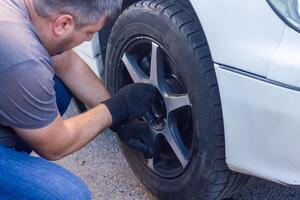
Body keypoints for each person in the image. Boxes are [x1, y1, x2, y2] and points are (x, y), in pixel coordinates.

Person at [0, 0, 157, 199]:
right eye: (90, 32)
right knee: (69, 194)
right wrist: (118, 107)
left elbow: (68, 63)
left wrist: (120, 122)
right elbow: (55, 145)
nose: (89, 39)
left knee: (58, 90)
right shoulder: (23, 56)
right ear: (63, 24)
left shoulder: (23, 12)